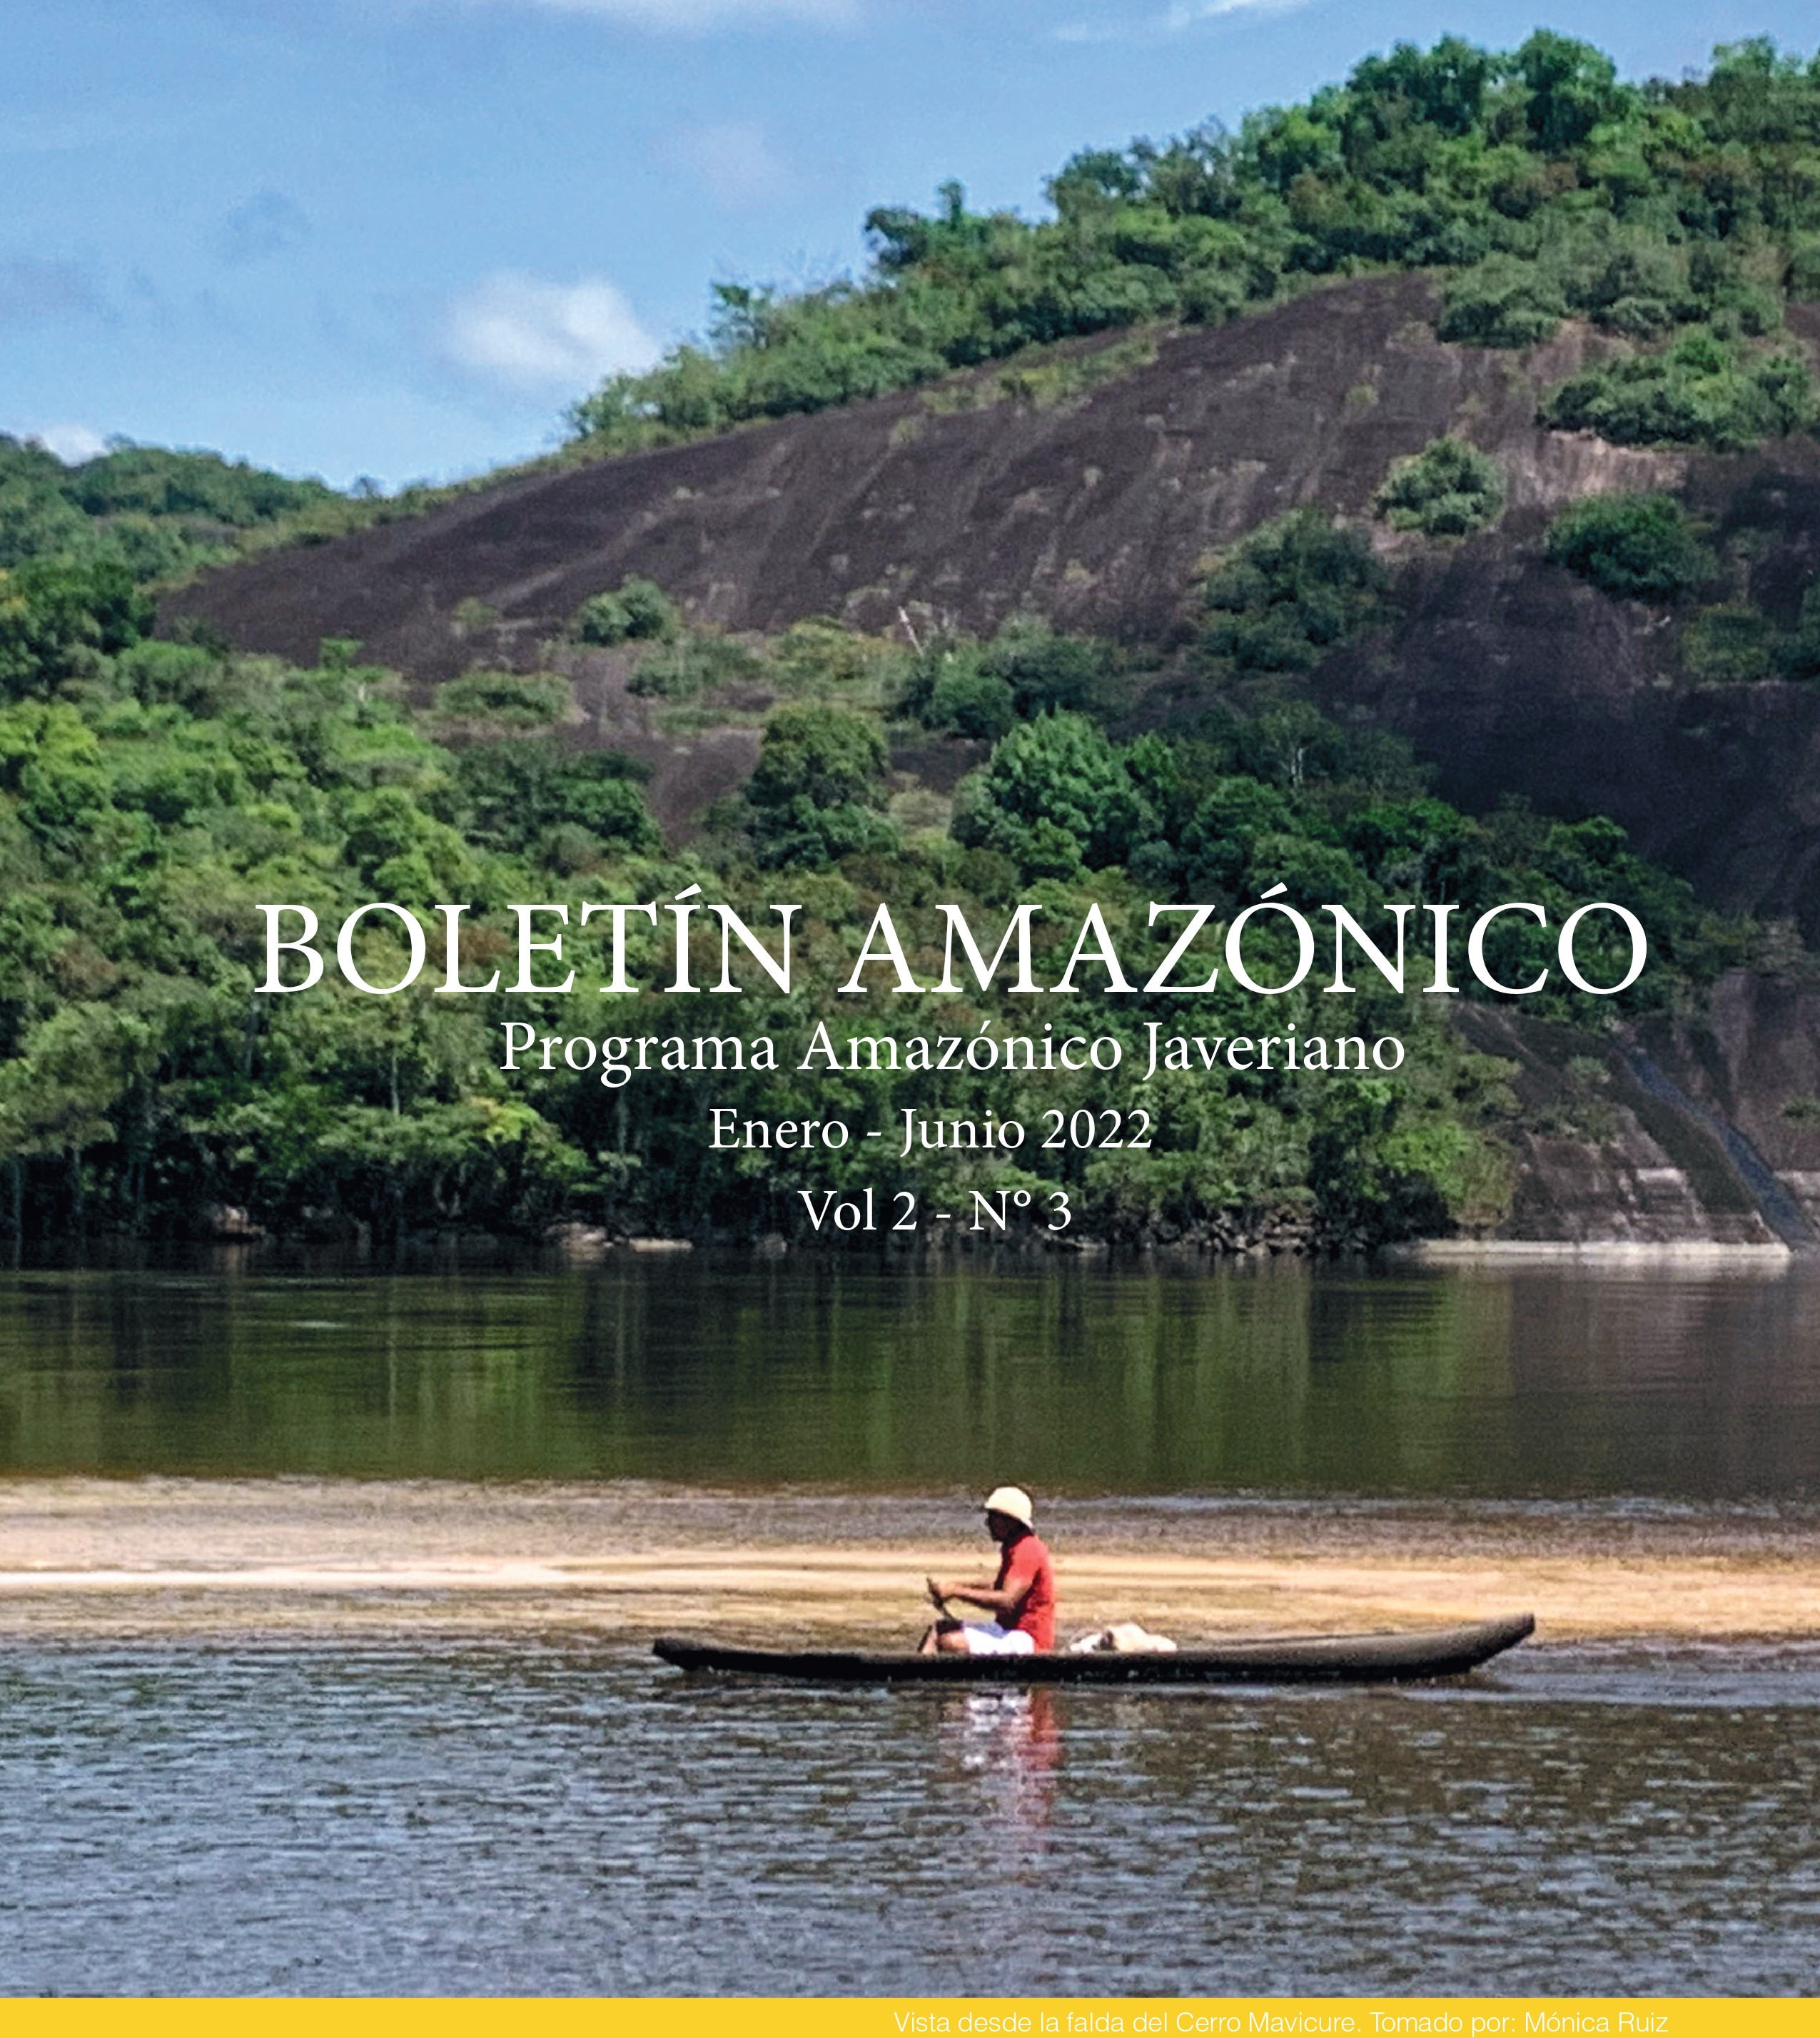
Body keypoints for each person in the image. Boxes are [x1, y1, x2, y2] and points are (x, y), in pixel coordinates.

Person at [919, 1485, 1056, 1655]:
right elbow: (998, 1586)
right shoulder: (1013, 1546)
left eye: (992, 1518)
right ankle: (911, 1679)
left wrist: (957, 1591)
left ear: (1009, 1521)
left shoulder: (1027, 1549)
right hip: (1007, 1630)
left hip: (1026, 1638)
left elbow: (1007, 1601)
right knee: (939, 1629)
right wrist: (955, 1586)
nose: (987, 1523)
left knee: (951, 1642)